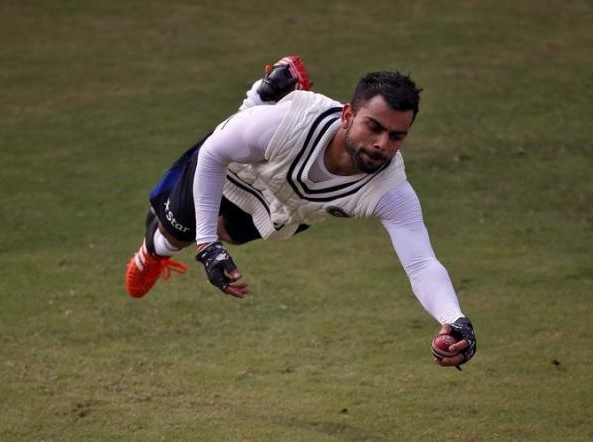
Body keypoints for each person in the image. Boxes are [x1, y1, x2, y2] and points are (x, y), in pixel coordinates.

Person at [125, 56, 476, 368]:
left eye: (396, 137)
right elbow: (215, 153)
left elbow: (421, 264)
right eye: (374, 127)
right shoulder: (293, 122)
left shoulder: (390, 189)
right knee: (177, 235)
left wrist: (455, 319)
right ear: (348, 114)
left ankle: (262, 99)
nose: (382, 144)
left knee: (226, 233)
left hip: (282, 208)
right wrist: (206, 246)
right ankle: (155, 250)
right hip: (235, 170)